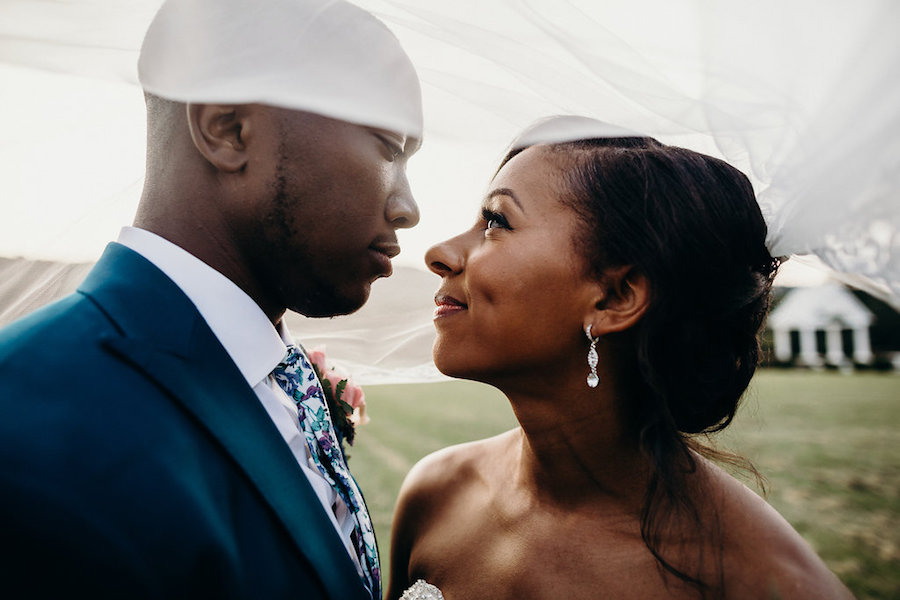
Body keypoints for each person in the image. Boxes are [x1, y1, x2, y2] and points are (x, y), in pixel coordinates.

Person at [0, 0, 421, 598]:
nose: (408, 208)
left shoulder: (284, 380)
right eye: (387, 146)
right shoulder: (24, 418)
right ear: (228, 131)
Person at [387, 119, 854, 599]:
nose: (439, 253)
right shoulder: (436, 494)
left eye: (497, 221)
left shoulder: (759, 583)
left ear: (615, 297)